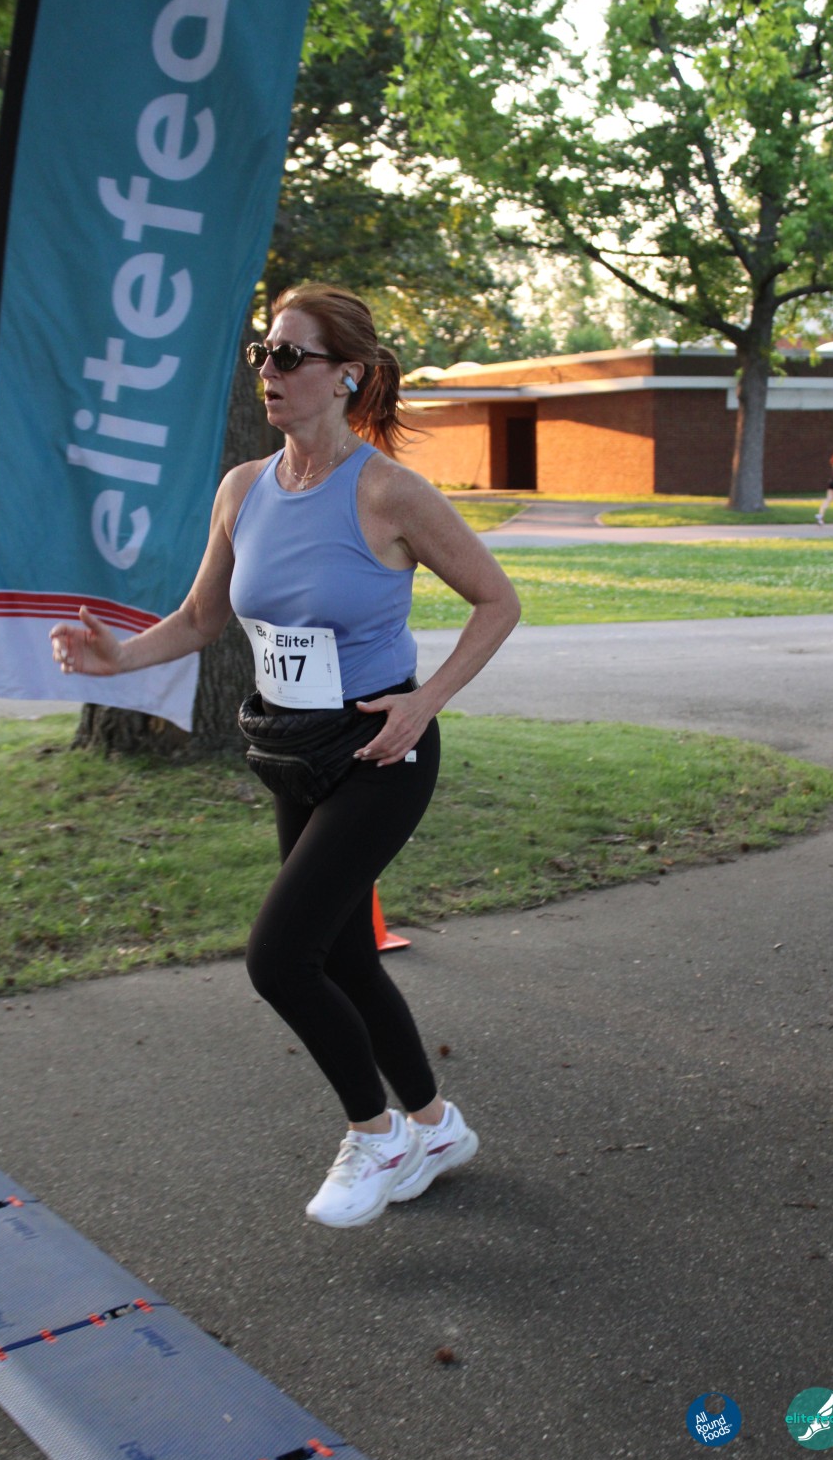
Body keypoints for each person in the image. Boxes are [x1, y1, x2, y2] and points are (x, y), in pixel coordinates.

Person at [50, 283, 521, 1230]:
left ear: (348, 375)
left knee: (279, 959)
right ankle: (436, 1128)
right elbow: (201, 618)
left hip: (381, 749)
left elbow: (497, 601)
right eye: (263, 353)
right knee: (342, 957)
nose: (268, 370)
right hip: (292, 750)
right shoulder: (244, 489)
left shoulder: (388, 491)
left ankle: (377, 1135)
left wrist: (425, 701)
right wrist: (117, 658)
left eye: (291, 355)